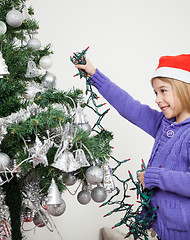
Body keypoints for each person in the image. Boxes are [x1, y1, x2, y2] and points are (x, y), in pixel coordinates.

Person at [76, 54, 190, 240]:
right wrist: (94, 75)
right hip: (162, 228)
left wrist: (154, 176)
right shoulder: (163, 123)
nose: (157, 99)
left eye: (163, 91)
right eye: (155, 93)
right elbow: (129, 107)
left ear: (185, 90)